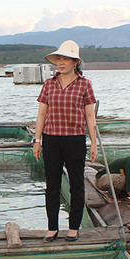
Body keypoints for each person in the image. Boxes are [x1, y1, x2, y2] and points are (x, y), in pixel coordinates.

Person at [33, 40, 98, 242]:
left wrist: (93, 143)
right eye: (59, 59)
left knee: (76, 185)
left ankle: (73, 227)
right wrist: (37, 140)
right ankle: (52, 227)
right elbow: (42, 114)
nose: (61, 62)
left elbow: (90, 116)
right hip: (51, 140)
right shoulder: (49, 84)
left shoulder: (85, 84)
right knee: (51, 185)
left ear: (75, 62)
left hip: (75, 140)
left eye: (66, 59)